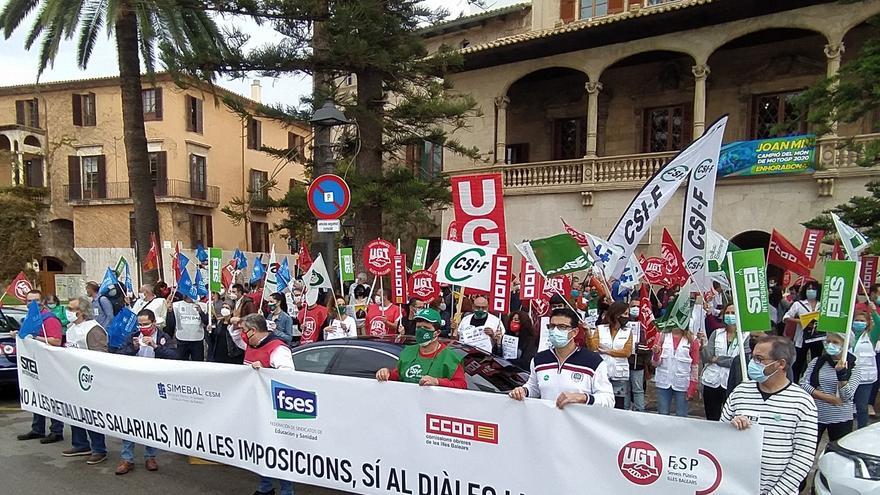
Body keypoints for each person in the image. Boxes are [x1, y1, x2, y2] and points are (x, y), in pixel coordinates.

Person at [723, 335, 818, 494]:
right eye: (752, 358)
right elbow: (718, 437)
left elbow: (803, 457)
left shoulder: (802, 402)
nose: (752, 364)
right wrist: (731, 427)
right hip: (736, 488)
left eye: (759, 359)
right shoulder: (740, 392)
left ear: (780, 364)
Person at [509, 308, 615, 408]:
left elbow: (608, 399)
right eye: (552, 326)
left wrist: (583, 398)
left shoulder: (593, 361)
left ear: (574, 332)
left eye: (562, 327)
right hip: (547, 423)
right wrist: (523, 390)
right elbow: (534, 387)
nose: (555, 330)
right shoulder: (539, 360)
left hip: (578, 425)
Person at [114, 309, 176, 474]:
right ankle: (127, 458)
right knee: (129, 420)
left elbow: (175, 357)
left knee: (152, 421)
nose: (143, 327)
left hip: (154, 385)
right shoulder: (133, 336)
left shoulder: (163, 337)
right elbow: (119, 355)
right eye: (140, 324)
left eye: (146, 324)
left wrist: (156, 347)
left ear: (154, 322)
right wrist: (133, 348)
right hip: (134, 384)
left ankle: (150, 456)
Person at [240, 313, 295, 495]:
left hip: (275, 411)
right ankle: (265, 487)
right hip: (256, 407)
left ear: (253, 331)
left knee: (280, 452)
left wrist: (265, 371)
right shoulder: (251, 344)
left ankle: (286, 490)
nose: (242, 334)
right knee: (262, 450)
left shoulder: (278, 349)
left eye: (244, 331)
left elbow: (288, 377)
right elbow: (235, 338)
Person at [62, 296, 108, 465]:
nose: (68, 312)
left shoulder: (93, 329)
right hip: (73, 375)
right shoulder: (71, 328)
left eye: (71, 309)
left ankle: (99, 449)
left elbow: (100, 356)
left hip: (88, 378)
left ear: (81, 312)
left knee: (91, 414)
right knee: (74, 411)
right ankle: (80, 444)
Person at [16, 289, 65, 444]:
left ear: (42, 302)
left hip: (50, 364)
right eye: (29, 301)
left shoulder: (50, 319)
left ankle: (56, 431)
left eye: (36, 301)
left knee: (51, 398)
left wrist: (35, 337)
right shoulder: (30, 318)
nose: (32, 304)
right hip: (34, 363)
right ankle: (37, 429)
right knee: (37, 396)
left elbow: (56, 341)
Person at [376, 308, 466, 388]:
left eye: (426, 328)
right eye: (418, 327)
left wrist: (437, 382)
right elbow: (398, 375)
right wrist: (387, 373)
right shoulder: (408, 351)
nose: (420, 331)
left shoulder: (450, 357)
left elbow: (461, 385)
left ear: (437, 332)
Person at [800, 331, 861, 444]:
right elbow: (803, 384)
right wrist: (827, 397)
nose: (830, 345)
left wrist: (842, 376)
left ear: (845, 344)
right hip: (815, 416)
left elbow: (847, 396)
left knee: (838, 455)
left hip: (841, 418)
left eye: (835, 342)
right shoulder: (817, 362)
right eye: (828, 342)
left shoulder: (854, 366)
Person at [700, 303, 744, 421]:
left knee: (729, 418)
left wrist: (717, 359)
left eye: (733, 313)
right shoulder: (717, 333)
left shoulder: (745, 336)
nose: (730, 316)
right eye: (728, 313)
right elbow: (707, 357)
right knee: (712, 417)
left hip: (732, 382)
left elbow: (739, 361)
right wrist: (703, 345)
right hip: (712, 381)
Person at [588, 301, 633, 409]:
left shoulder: (628, 331)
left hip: (619, 375)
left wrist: (608, 351)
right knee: (602, 403)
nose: (627, 317)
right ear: (617, 314)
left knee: (618, 405)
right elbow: (594, 348)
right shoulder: (601, 329)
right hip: (603, 372)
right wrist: (588, 336)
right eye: (625, 314)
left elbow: (627, 352)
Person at [651, 323, 700, 417]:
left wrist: (693, 386)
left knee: (681, 415)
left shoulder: (692, 340)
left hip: (682, 384)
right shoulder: (662, 336)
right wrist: (656, 354)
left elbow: (695, 365)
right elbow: (655, 363)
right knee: (662, 415)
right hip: (663, 382)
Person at [784, 281, 823, 382]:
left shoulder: (822, 305)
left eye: (813, 289)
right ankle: (794, 383)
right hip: (802, 337)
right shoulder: (798, 304)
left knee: (816, 362)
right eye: (808, 289)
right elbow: (786, 318)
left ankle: (813, 383)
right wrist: (800, 321)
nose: (811, 291)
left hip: (818, 337)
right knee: (798, 363)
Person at [852, 308, 880, 428]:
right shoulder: (848, 335)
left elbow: (879, 323)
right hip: (848, 377)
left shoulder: (871, 336)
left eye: (862, 320)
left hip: (865, 379)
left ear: (867, 322)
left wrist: (873, 311)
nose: (859, 322)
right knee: (846, 406)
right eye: (856, 320)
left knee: (862, 407)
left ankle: (861, 429)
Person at [626, 298, 651, 412]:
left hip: (639, 362)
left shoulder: (646, 324)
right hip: (624, 362)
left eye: (638, 306)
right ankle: (625, 412)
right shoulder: (624, 322)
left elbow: (649, 344)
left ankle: (640, 412)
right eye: (633, 306)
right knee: (625, 390)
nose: (635, 309)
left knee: (638, 389)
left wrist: (637, 348)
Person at [168, 294, 207, 361]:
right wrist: (169, 311)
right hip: (182, 339)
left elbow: (206, 322)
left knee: (198, 362)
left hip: (197, 339)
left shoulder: (203, 306)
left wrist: (201, 312)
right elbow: (171, 323)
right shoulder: (176, 305)